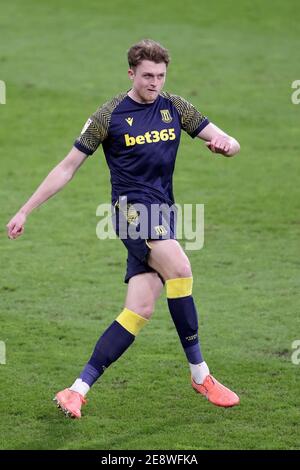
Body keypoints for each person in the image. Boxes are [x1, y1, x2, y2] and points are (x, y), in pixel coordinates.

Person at [7, 39, 241, 419]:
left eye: (161, 76)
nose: (155, 83)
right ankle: (201, 374)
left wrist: (225, 146)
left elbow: (229, 141)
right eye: (147, 76)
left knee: (140, 308)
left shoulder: (175, 107)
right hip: (130, 213)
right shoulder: (109, 115)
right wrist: (25, 210)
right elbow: (68, 167)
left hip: (164, 214)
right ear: (131, 73)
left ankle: (76, 389)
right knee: (180, 269)